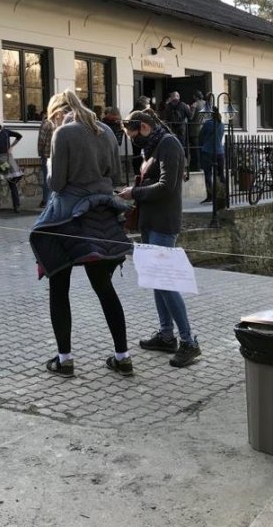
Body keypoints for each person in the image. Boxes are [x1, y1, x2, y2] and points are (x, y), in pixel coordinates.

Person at [29, 90, 134, 378]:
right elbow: (114, 176)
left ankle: (65, 360)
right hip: (102, 216)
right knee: (104, 288)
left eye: (52, 119)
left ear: (57, 113)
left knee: (58, 286)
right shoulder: (107, 131)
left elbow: (57, 184)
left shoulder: (63, 133)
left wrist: (50, 166)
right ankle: (123, 357)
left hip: (67, 218)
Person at [119, 109, 202, 368]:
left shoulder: (169, 145)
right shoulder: (153, 146)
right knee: (156, 280)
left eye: (133, 136)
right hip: (150, 221)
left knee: (166, 282)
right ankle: (167, 336)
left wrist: (135, 192)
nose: (134, 142)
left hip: (164, 223)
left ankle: (188, 341)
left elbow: (167, 186)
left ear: (144, 127)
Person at [0, 117, 23, 212]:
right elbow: (19, 136)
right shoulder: (5, 132)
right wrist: (11, 147)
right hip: (7, 159)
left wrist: (11, 147)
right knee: (11, 183)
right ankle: (16, 206)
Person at [199, 108, 225, 204]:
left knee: (208, 174)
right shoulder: (222, 124)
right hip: (220, 152)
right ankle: (222, 195)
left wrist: (203, 143)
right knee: (221, 175)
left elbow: (200, 136)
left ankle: (210, 196)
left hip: (208, 151)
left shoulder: (207, 124)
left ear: (211, 114)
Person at [37, 112, 54, 209]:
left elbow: (41, 140)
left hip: (47, 155)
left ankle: (45, 201)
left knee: (47, 178)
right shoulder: (60, 123)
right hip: (58, 155)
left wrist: (40, 152)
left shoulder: (46, 123)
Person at [131, 96, 152, 175]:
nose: (149, 105)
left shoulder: (134, 111)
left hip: (136, 136)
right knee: (141, 155)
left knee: (137, 154)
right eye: (148, 103)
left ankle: (138, 173)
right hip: (141, 136)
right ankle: (141, 172)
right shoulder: (141, 112)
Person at [188, 91, 207, 171]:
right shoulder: (207, 104)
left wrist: (188, 109)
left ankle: (196, 167)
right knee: (203, 149)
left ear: (195, 97)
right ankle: (204, 166)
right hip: (205, 129)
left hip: (195, 130)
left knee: (195, 149)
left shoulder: (194, 105)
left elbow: (190, 117)